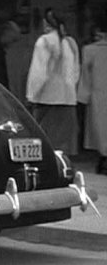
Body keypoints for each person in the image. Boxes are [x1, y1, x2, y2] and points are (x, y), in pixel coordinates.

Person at [26, 8, 80, 156]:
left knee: (43, 144)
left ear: (45, 22)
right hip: (68, 100)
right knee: (61, 147)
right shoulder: (71, 43)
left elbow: (39, 72)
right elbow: (75, 74)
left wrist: (31, 95)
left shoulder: (44, 42)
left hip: (46, 99)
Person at [77, 12, 107, 174]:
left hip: (98, 95)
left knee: (100, 128)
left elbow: (86, 76)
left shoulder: (90, 50)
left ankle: (104, 157)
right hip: (98, 94)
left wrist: (82, 96)